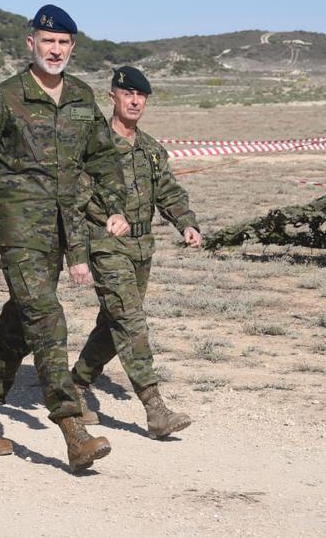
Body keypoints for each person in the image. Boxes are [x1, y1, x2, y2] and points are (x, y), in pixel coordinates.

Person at [0, 4, 130, 471]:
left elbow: (104, 160)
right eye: (48, 41)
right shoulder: (5, 97)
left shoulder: (83, 98)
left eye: (64, 43)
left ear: (73, 47)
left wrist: (115, 208)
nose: (56, 50)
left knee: (18, 326)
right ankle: (72, 429)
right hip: (19, 232)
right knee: (47, 318)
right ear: (31, 43)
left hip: (63, 233)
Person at [71, 66, 200, 439]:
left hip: (142, 247)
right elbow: (79, 195)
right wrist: (104, 214)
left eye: (141, 96)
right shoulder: (94, 146)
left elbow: (170, 193)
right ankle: (155, 408)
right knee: (131, 322)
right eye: (127, 94)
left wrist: (187, 224)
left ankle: (73, 387)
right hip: (106, 246)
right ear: (112, 96)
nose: (135, 101)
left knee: (114, 326)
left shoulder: (151, 150)